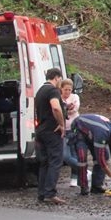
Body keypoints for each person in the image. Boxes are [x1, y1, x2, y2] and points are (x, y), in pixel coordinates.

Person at [34, 67, 66, 205]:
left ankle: (42, 193)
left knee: (44, 163)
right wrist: (61, 123)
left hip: (40, 129)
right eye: (60, 79)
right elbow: (55, 107)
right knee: (55, 161)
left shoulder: (40, 90)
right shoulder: (52, 90)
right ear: (57, 78)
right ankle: (50, 193)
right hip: (51, 131)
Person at [70, 113, 111, 195]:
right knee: (82, 158)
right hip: (79, 128)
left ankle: (96, 186)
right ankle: (83, 186)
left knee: (105, 156)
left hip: (92, 131)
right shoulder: (102, 133)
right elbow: (101, 160)